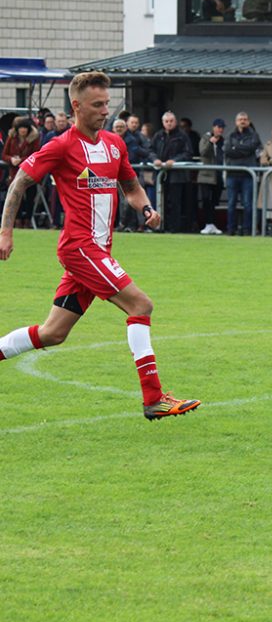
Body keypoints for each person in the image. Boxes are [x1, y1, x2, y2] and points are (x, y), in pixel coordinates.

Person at [0, 71, 199, 421]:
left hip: (98, 252)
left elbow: (132, 187)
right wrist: (5, 232)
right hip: (80, 248)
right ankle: (153, 399)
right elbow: (19, 183)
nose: (105, 110)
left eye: (107, 103)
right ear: (76, 106)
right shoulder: (61, 145)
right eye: (97, 104)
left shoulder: (113, 143)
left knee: (53, 333)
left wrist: (147, 208)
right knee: (140, 304)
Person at [150, 111, 194, 233]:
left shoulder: (182, 136)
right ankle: (159, 227)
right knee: (159, 202)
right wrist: (155, 159)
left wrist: (174, 161)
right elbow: (150, 150)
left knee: (175, 203)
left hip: (176, 175)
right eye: (166, 121)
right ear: (163, 123)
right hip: (159, 174)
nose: (169, 123)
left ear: (175, 122)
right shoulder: (158, 135)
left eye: (171, 121)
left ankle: (174, 228)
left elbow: (188, 153)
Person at [223, 111, 261, 235]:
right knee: (231, 204)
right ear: (236, 122)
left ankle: (246, 229)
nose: (242, 121)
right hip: (232, 174)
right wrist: (244, 150)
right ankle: (231, 229)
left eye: (245, 119)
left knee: (248, 204)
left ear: (248, 121)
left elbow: (252, 148)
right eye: (240, 119)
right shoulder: (230, 135)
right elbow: (228, 150)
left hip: (248, 175)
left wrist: (236, 148)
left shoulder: (254, 135)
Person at [1, 118, 41, 229]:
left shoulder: (34, 139)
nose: (22, 130)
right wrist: (11, 159)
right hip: (13, 172)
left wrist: (22, 160)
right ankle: (17, 220)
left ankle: (27, 220)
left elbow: (36, 154)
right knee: (15, 196)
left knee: (29, 197)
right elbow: (4, 154)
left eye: (25, 128)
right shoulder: (12, 138)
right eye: (21, 128)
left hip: (29, 172)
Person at [197, 117, 226, 235]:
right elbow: (202, 152)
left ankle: (213, 224)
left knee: (215, 201)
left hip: (218, 174)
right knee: (206, 200)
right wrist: (210, 142)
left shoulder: (223, 141)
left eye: (222, 128)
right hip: (206, 175)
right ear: (213, 127)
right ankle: (207, 224)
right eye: (219, 127)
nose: (220, 130)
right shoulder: (206, 137)